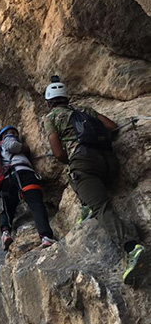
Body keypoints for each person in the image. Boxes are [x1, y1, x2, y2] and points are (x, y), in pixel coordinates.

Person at [43, 76, 147, 285]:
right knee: (84, 183)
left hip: (84, 163)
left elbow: (58, 153)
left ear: (49, 102)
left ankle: (132, 248)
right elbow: (112, 126)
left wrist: (73, 157)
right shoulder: (84, 110)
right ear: (66, 98)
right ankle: (87, 205)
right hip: (110, 163)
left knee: (99, 206)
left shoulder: (52, 117)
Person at [0, 126, 55, 250]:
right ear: (4, 135)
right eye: (11, 132)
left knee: (8, 208)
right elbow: (11, 145)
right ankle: (46, 236)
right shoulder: (8, 138)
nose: (13, 134)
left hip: (7, 180)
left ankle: (5, 233)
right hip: (23, 174)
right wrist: (24, 148)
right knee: (36, 203)